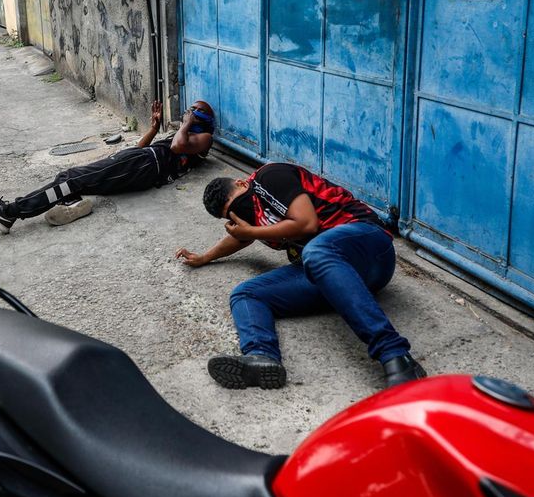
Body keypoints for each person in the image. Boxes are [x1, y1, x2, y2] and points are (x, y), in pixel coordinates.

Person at [175, 164, 425, 390]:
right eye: (232, 216)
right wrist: (205, 257)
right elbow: (241, 237)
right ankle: (261, 356)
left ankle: (397, 357)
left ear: (242, 184)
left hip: (369, 246)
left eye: (237, 205)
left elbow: (307, 223)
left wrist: (251, 230)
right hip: (332, 276)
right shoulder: (255, 219)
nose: (240, 215)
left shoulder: (268, 178)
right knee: (245, 294)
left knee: (316, 251)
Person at [0, 100, 214, 232]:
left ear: (200, 117)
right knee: (71, 180)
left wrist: (185, 123)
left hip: (144, 165)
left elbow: (176, 147)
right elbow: (146, 146)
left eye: (192, 110)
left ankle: (8, 213)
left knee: (70, 178)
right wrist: (154, 128)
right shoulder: (187, 136)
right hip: (140, 160)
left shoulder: (204, 138)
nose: (187, 113)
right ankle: (72, 201)